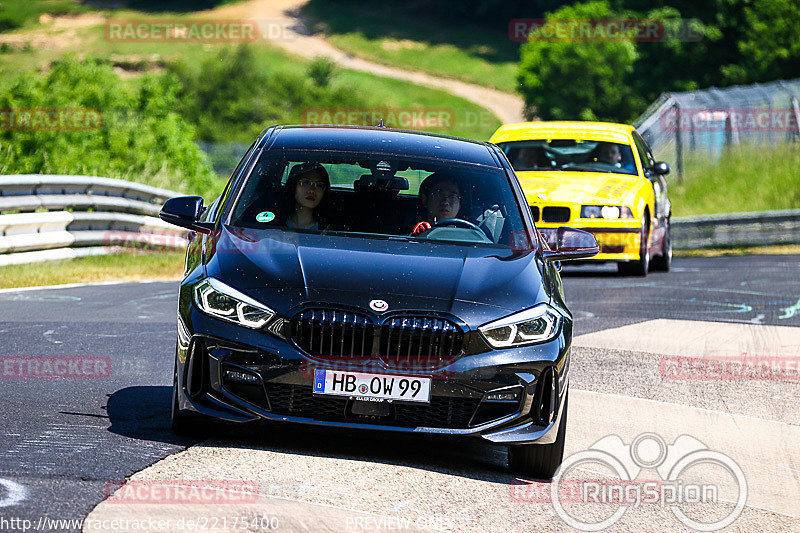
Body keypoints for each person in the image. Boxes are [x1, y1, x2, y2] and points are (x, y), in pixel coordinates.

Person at [280, 162, 330, 230]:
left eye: (319, 185)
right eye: (306, 182)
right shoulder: (274, 223)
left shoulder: (329, 228)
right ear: (294, 186)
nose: (312, 190)